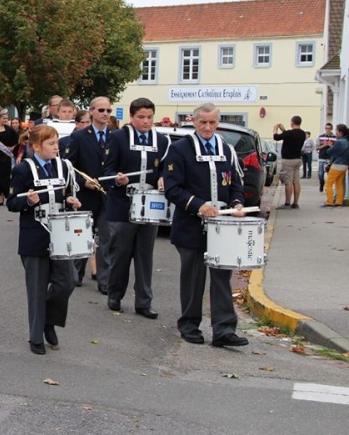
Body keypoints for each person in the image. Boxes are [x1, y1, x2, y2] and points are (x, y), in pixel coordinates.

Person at [163, 102, 248, 348]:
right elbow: (172, 188)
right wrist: (198, 205)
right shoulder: (179, 150)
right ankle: (189, 325)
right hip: (190, 226)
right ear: (194, 121)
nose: (208, 127)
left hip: (221, 227)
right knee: (193, 278)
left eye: (212, 122)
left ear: (217, 122)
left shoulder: (227, 149)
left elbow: (235, 184)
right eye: (203, 122)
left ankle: (223, 330)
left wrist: (237, 203)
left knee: (222, 278)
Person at [7, 125, 81, 355]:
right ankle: (36, 336)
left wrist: (71, 200)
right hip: (34, 236)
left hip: (60, 234)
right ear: (36, 147)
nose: (56, 148)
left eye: (57, 143)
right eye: (51, 144)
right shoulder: (23, 170)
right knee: (37, 289)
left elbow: (68, 193)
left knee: (69, 280)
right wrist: (27, 201)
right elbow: (11, 203)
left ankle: (48, 321)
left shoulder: (64, 166)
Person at [102, 98, 169, 319]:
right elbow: (108, 169)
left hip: (150, 206)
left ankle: (144, 301)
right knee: (120, 253)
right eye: (141, 117)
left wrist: (162, 179)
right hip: (123, 204)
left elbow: (166, 170)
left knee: (145, 255)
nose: (146, 122)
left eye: (149, 117)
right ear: (132, 117)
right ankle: (115, 294)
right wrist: (117, 179)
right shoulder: (118, 137)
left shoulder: (161, 140)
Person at [64, 96, 112, 291]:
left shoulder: (116, 136)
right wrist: (85, 182)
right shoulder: (78, 137)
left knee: (106, 240)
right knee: (81, 236)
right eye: (101, 110)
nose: (106, 114)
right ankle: (76, 274)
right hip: (85, 196)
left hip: (108, 195)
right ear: (91, 112)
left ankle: (104, 281)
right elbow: (69, 167)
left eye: (108, 111)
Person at [273, 116, 306, 209]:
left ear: (292, 123)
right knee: (296, 181)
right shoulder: (303, 134)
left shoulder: (289, 133)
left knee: (288, 182)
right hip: (297, 159)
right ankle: (295, 203)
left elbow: (276, 137)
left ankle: (287, 203)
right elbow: (289, 136)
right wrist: (284, 130)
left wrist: (275, 129)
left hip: (288, 160)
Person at [323, 124, 349, 207]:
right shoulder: (347, 141)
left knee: (328, 184)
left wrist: (331, 146)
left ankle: (329, 202)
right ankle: (339, 201)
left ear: (340, 132)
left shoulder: (340, 142)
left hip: (337, 164)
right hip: (345, 165)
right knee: (339, 184)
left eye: (336, 130)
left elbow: (330, 152)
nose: (336, 132)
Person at [316, 123, 336, 192]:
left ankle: (328, 187)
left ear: (331, 129)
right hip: (322, 157)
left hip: (330, 158)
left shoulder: (335, 138)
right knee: (320, 174)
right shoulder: (321, 137)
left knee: (329, 174)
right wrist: (324, 145)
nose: (327, 130)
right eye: (326, 128)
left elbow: (336, 148)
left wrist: (331, 146)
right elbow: (317, 147)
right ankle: (321, 183)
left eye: (329, 128)